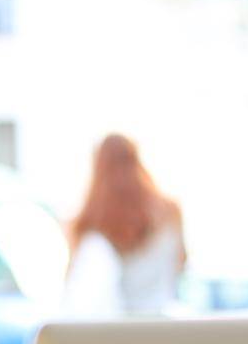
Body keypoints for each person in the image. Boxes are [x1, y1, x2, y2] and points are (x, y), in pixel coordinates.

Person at [61, 133, 186, 316]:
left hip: (116, 334)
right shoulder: (170, 214)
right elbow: (180, 265)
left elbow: (76, 295)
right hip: (163, 327)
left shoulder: (89, 227)